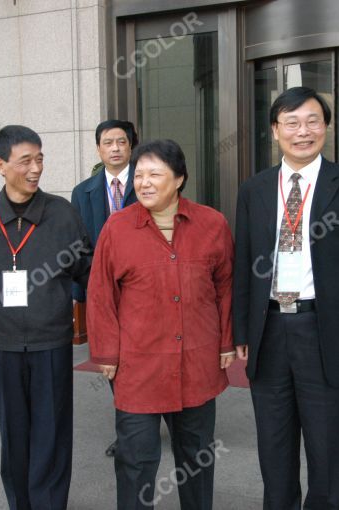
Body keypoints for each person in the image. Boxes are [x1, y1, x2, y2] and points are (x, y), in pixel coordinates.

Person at [232, 87, 339, 509]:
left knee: (327, 448)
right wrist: (241, 329)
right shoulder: (255, 189)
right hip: (268, 329)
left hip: (323, 329)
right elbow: (243, 261)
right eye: (292, 123)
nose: (303, 131)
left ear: (326, 127)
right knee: (274, 446)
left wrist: (335, 300)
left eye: (313, 121)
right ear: (275, 131)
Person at [87, 139, 235, 510]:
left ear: (179, 178)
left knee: (197, 456)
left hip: (196, 363)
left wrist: (226, 342)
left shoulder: (212, 224)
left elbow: (226, 287)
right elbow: (101, 293)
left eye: (155, 174)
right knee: (135, 460)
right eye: (139, 175)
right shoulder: (117, 228)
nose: (145, 182)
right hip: (138, 366)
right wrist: (105, 352)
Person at [0, 125, 92, 510]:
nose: (36, 168)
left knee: (51, 432)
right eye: (25, 161)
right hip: (2, 346)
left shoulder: (63, 214)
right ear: (1, 165)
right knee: (13, 433)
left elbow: (87, 272)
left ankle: (50, 503)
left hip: (51, 342)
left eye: (40, 159)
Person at [71, 119, 139, 457]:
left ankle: (166, 420)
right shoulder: (82, 192)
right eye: (108, 142)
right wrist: (90, 290)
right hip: (105, 296)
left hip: (145, 292)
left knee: (152, 359)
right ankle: (130, 432)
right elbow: (77, 248)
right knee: (115, 364)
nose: (115, 148)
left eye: (121, 142)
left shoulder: (148, 183)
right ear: (98, 148)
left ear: (131, 147)